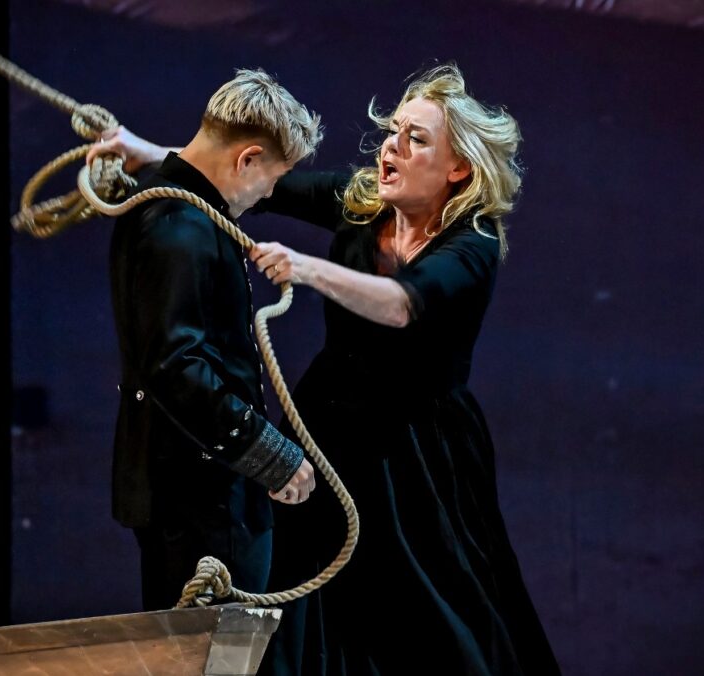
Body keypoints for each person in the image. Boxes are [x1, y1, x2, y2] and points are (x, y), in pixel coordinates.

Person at [94, 63, 559, 674]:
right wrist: (150, 152)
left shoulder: (472, 245)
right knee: (305, 603)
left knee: (429, 612)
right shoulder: (363, 200)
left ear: (458, 169)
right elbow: (253, 174)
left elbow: (403, 305)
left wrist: (307, 268)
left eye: (416, 138)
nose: (391, 147)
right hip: (329, 427)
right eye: (393, 131)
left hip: (414, 450)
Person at [93, 69, 322, 612]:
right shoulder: (181, 228)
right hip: (201, 499)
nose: (269, 194)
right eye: (273, 178)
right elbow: (176, 366)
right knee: (214, 653)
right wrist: (270, 455)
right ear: (248, 160)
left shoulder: (171, 209)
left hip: (191, 489)